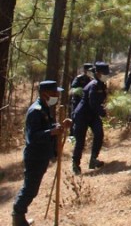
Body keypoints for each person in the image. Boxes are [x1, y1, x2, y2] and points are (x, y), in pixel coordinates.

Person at [11, 81, 71, 226]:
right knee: (30, 188)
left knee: (32, 188)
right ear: (46, 93)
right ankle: (17, 218)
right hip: (35, 155)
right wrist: (51, 132)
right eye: (54, 93)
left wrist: (59, 126)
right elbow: (33, 136)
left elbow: (46, 127)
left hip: (42, 154)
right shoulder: (35, 110)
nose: (57, 95)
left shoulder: (44, 107)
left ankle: (19, 216)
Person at [71, 61, 110, 175]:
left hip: (93, 115)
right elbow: (93, 103)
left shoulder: (102, 85)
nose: (106, 75)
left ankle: (93, 159)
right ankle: (75, 164)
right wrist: (103, 112)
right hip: (82, 115)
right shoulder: (93, 85)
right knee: (80, 141)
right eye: (104, 73)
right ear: (97, 73)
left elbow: (101, 101)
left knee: (99, 134)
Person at [68, 63, 93, 135]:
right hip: (77, 101)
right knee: (74, 117)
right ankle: (72, 134)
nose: (90, 72)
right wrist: (81, 91)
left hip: (87, 103)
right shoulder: (79, 78)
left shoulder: (92, 80)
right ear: (85, 70)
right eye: (88, 70)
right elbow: (73, 89)